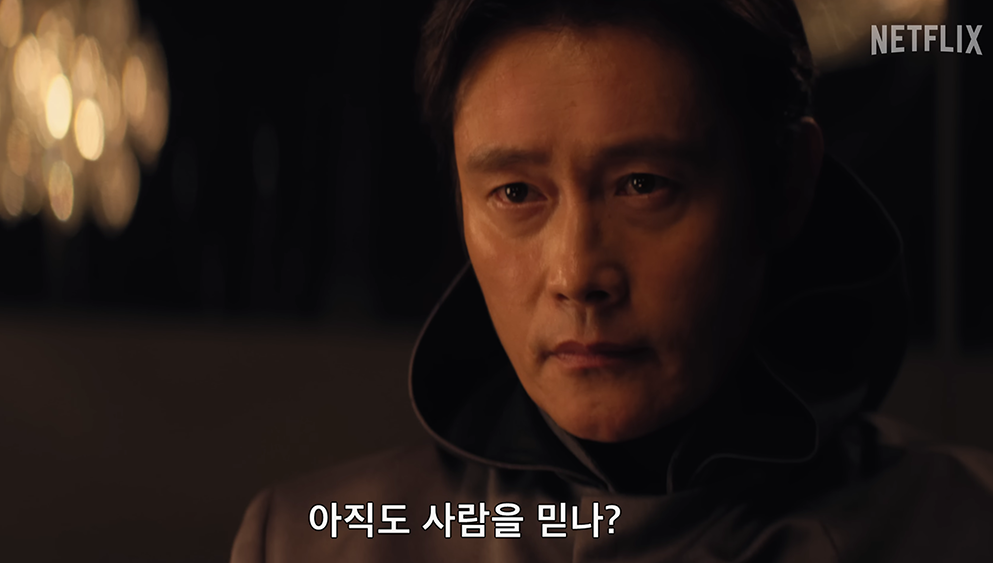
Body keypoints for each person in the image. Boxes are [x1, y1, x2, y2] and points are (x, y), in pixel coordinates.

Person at [230, 0, 993, 561]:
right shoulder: (312, 543)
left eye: (643, 185)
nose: (576, 275)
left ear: (787, 184)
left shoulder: (961, 529)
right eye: (516, 193)